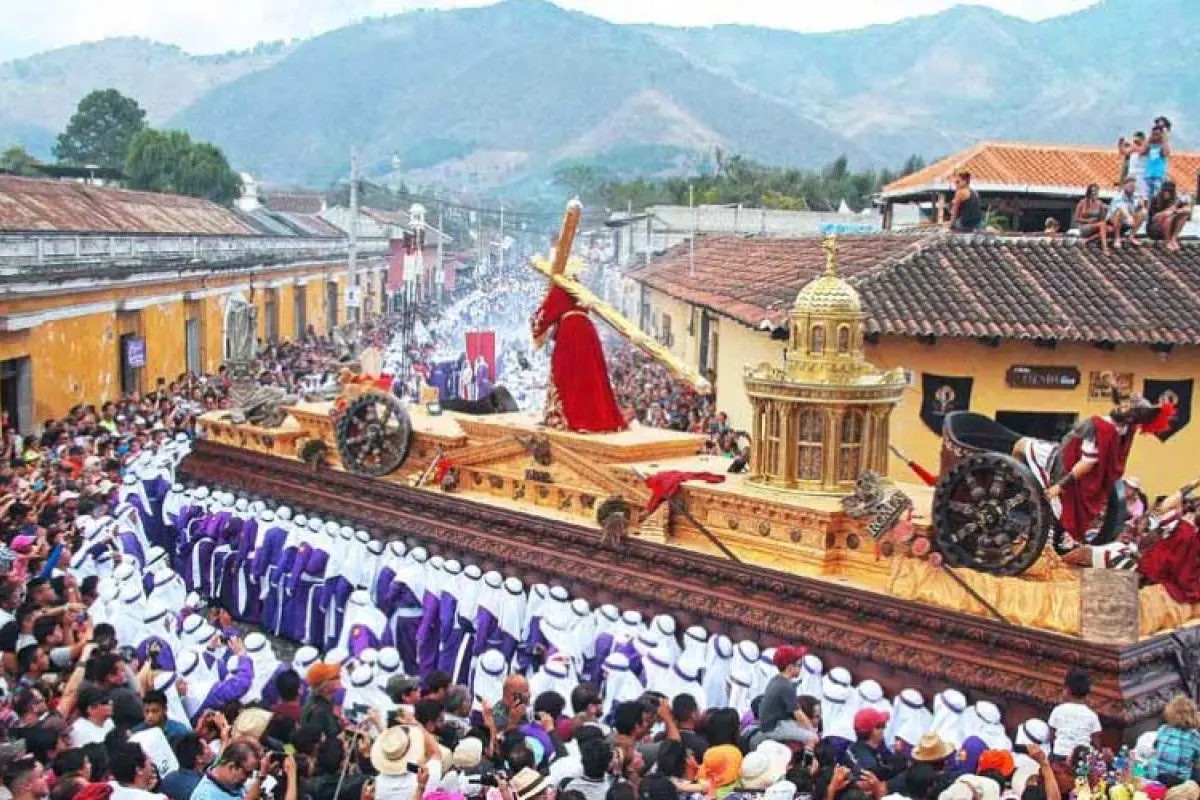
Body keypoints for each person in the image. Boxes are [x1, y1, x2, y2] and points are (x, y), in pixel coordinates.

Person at [529, 254, 627, 435]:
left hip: (570, 333)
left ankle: (571, 416)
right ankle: (599, 418)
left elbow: (543, 316)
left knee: (566, 373)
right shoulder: (578, 288)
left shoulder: (560, 288)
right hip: (588, 333)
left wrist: (536, 321)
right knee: (590, 376)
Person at [757, 646, 816, 746]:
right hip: (774, 728)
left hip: (774, 722)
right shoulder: (786, 686)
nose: (801, 668)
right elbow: (799, 714)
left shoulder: (777, 679)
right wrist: (813, 731)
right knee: (812, 738)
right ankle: (807, 761)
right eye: (799, 665)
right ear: (790, 667)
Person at [1047, 668, 1102, 759]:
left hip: (1058, 757)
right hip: (1081, 760)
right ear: (1087, 694)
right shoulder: (1092, 715)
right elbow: (1096, 742)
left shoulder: (1058, 710)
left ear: (1067, 690)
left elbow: (1051, 736)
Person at [1147, 695, 1200, 785]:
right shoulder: (1194, 736)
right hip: (1178, 781)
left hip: (1155, 776)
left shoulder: (1163, 729)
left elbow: (1155, 749)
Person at [189, 742, 266, 800]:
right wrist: (261, 778)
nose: (250, 776)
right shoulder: (205, 796)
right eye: (248, 773)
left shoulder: (230, 782)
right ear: (231, 766)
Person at [160, 735, 209, 800]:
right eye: (207, 747)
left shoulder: (167, 778)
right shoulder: (201, 788)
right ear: (199, 759)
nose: (210, 749)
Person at [1148, 181, 1191, 252]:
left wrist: (1175, 211)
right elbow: (1154, 218)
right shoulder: (1155, 199)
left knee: (1184, 216)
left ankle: (1173, 239)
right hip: (1155, 228)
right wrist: (1166, 212)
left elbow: (1188, 209)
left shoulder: (1176, 199)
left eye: (1169, 191)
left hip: (1170, 226)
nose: (1166, 193)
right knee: (1168, 218)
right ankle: (1167, 242)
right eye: (1165, 191)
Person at [1107, 177, 1147, 248]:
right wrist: (1129, 217)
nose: (1131, 188)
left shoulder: (1136, 196)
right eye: (1130, 186)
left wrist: (1141, 205)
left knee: (1143, 212)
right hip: (1114, 220)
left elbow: (1139, 209)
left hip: (1128, 221)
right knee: (1120, 212)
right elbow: (1122, 208)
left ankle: (1131, 236)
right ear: (1124, 186)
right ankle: (1117, 238)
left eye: (1133, 186)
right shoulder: (1119, 196)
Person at [1072, 184, 1109, 254]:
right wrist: (1087, 220)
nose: (1094, 193)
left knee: (1110, 229)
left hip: (1095, 226)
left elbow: (1102, 219)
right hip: (1084, 227)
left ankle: (1088, 240)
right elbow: (1076, 219)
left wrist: (1105, 210)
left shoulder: (1100, 203)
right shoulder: (1082, 202)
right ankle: (1105, 248)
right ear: (1089, 192)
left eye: (1096, 191)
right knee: (1102, 225)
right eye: (1092, 191)